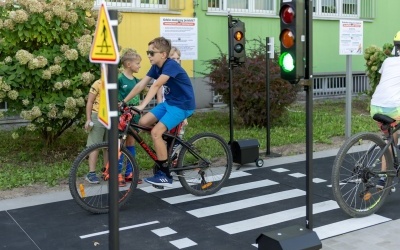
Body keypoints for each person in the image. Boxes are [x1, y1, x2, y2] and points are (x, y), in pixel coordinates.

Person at [121, 37, 196, 188]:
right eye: (147, 52)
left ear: (163, 54)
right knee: (142, 122)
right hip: (169, 103)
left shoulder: (171, 65)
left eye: (151, 52)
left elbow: (155, 86)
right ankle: (166, 144)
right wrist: (124, 102)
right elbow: (141, 84)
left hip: (182, 105)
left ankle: (164, 174)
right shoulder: (155, 66)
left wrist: (142, 106)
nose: (148, 55)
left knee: (156, 132)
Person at [370, 39, 400, 189]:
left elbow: (385, 84)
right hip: (394, 108)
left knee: (389, 139)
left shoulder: (388, 61)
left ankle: (382, 178)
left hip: (376, 106)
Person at [117, 48, 142, 186]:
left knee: (131, 143)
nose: (139, 66)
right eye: (137, 63)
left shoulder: (137, 80)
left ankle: (129, 173)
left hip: (134, 117)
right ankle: (117, 173)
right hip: (122, 116)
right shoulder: (120, 79)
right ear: (128, 64)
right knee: (120, 144)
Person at [84, 68, 108, 184]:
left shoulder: (114, 84)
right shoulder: (97, 84)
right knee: (95, 145)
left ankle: (106, 171)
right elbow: (90, 101)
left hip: (110, 117)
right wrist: (88, 119)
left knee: (108, 146)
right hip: (97, 116)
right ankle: (91, 173)